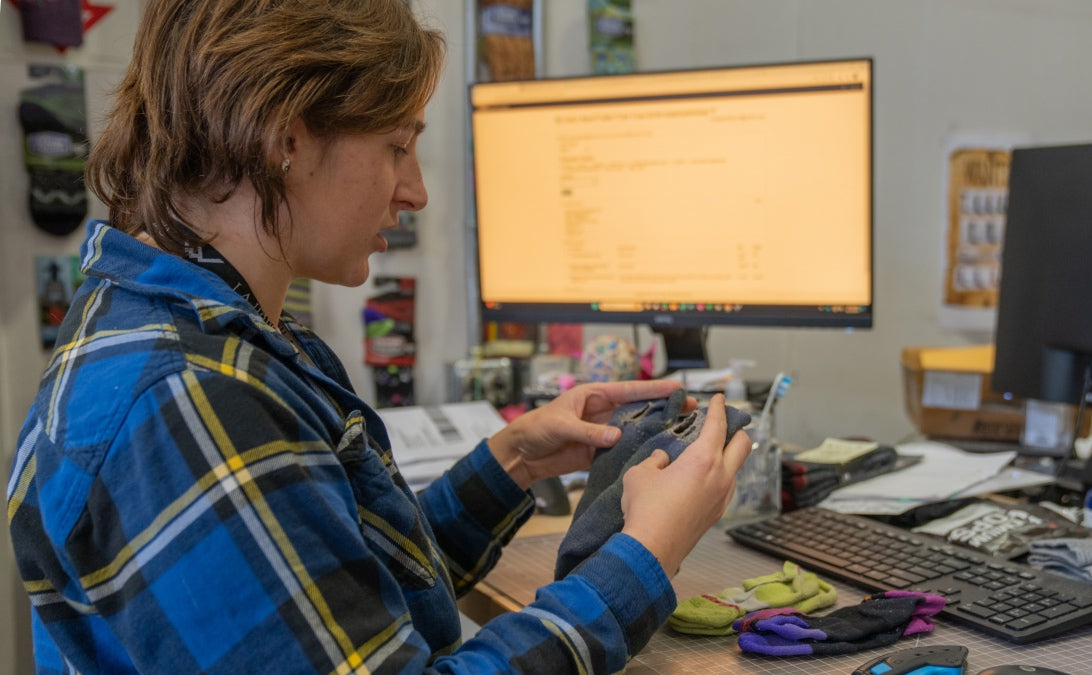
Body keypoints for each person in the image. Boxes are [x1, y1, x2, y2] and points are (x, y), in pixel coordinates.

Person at [5, 1, 754, 673]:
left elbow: (333, 596)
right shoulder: (183, 396)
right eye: (398, 145)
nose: (416, 189)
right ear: (283, 137)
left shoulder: (198, 331)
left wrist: (512, 460)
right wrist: (644, 555)